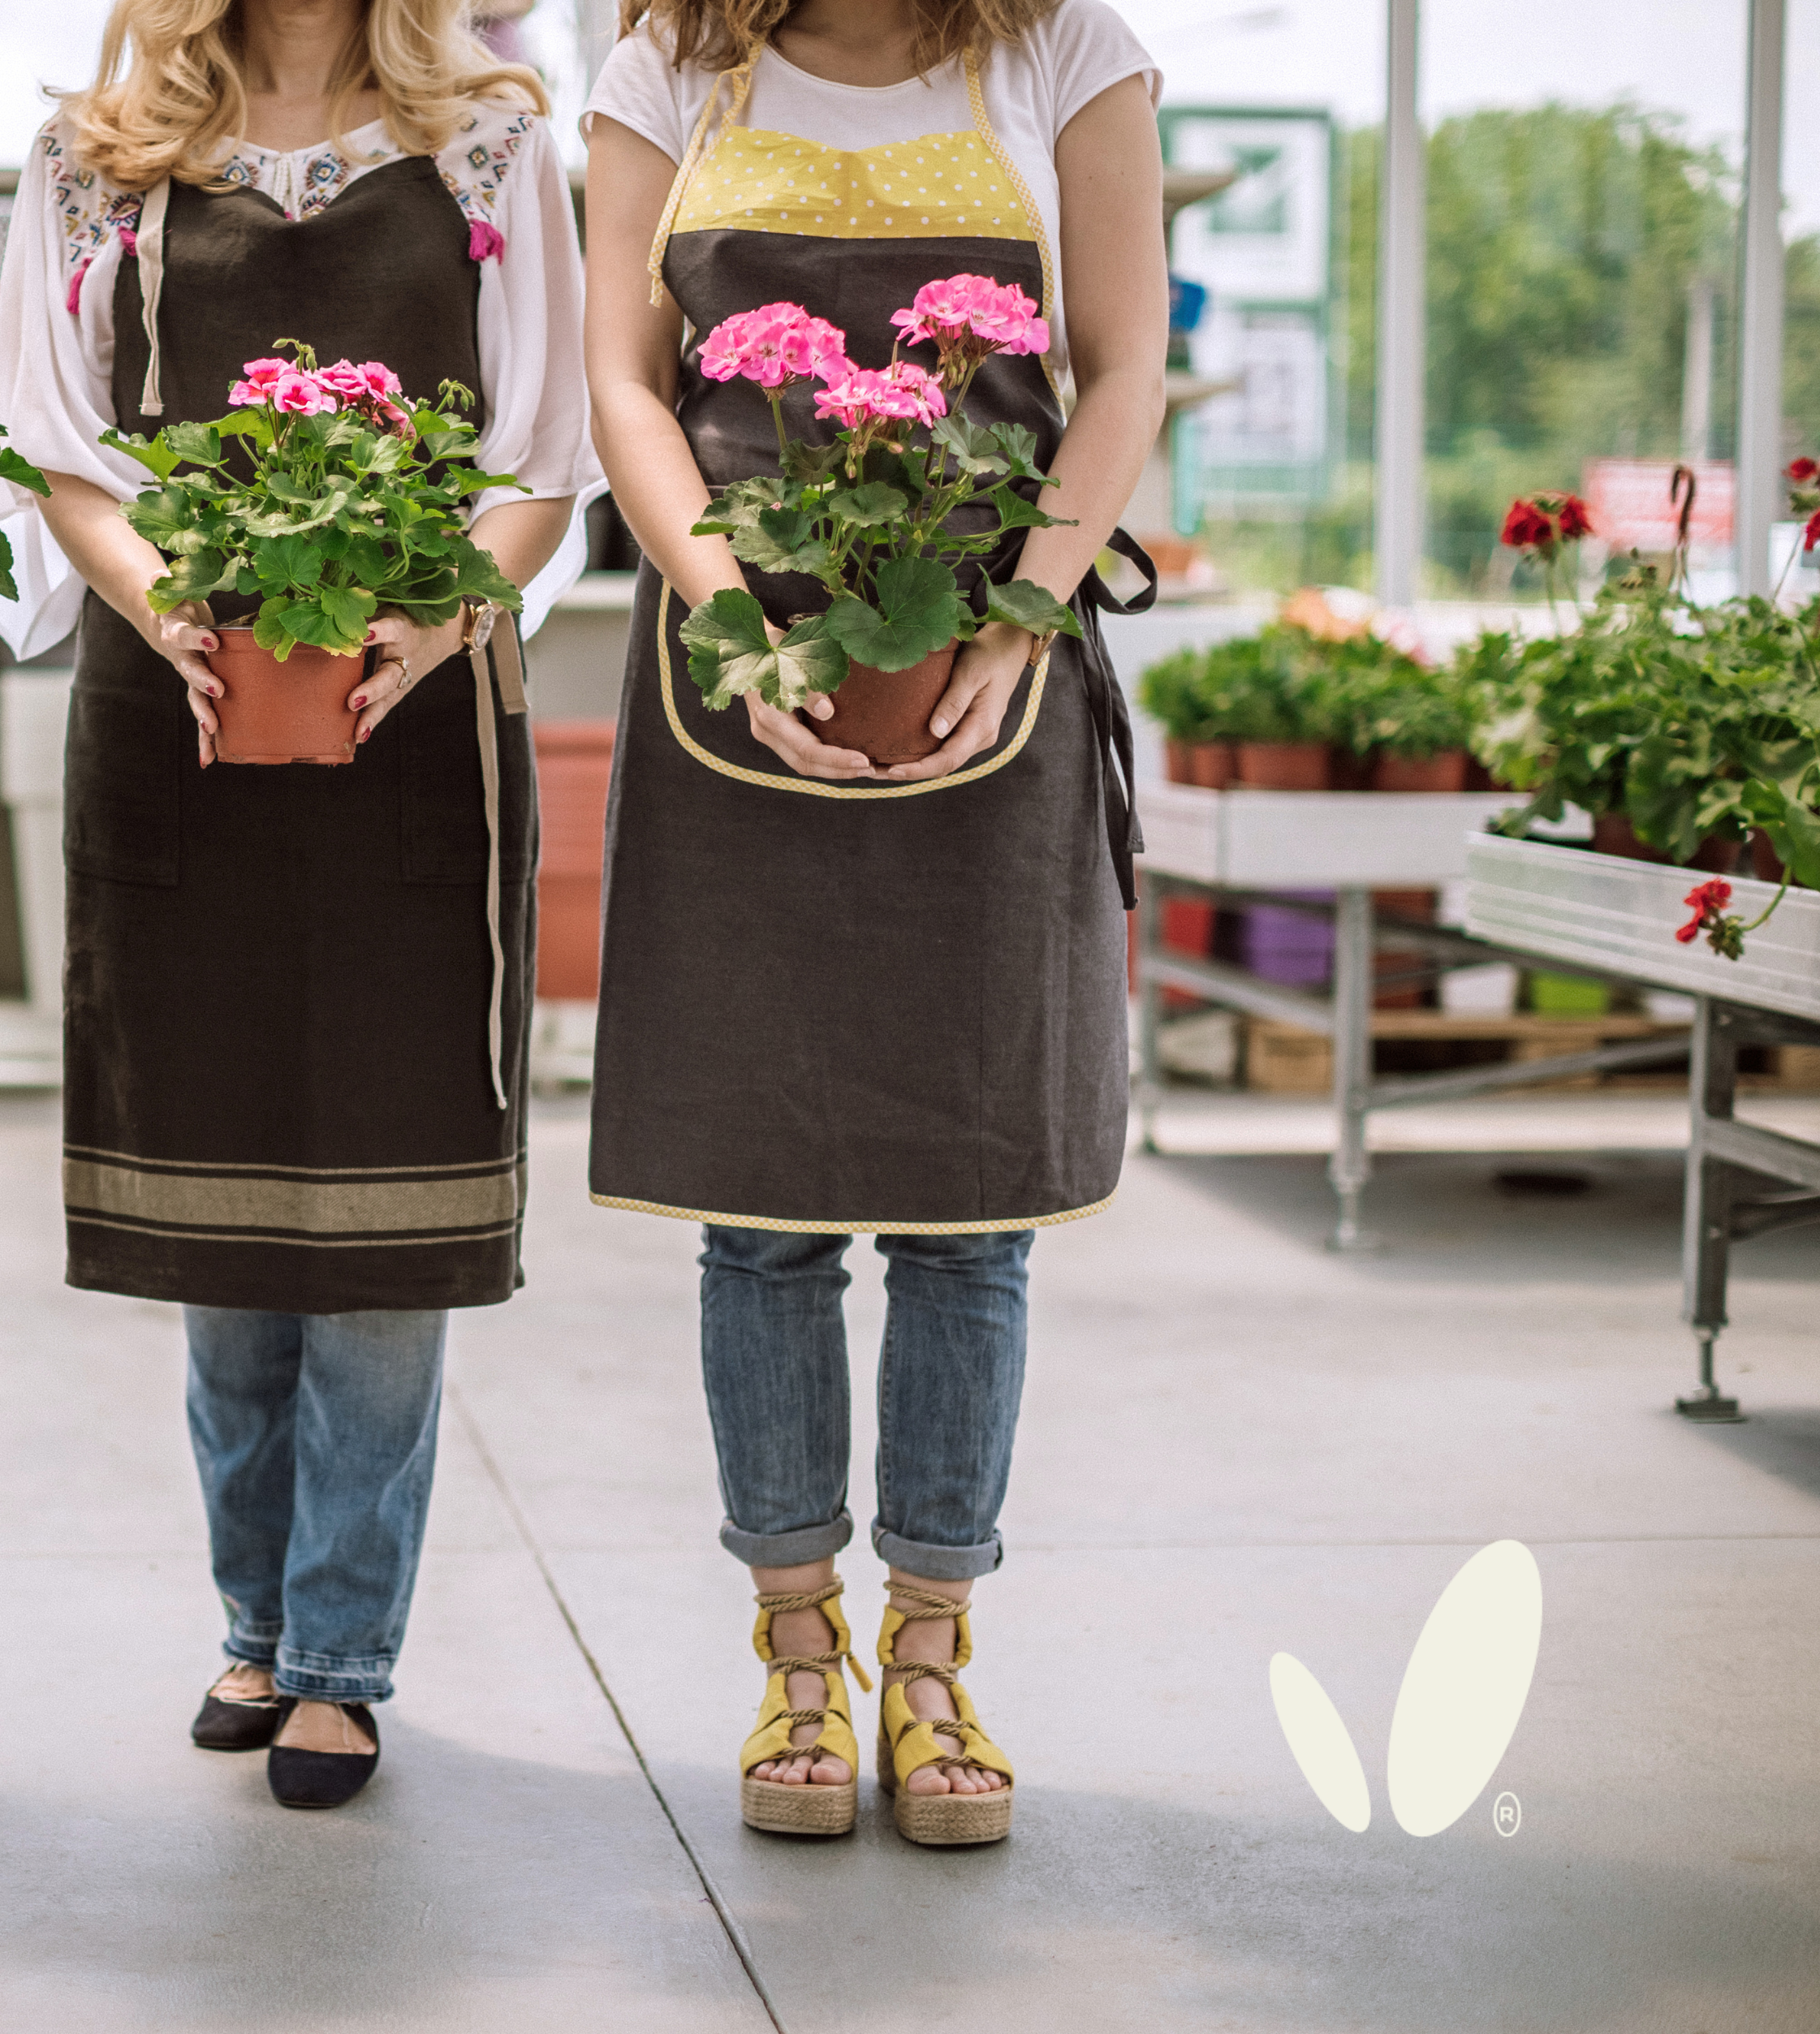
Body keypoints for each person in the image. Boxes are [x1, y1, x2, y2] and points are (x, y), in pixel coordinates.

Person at [0, 0, 599, 1808]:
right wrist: (162, 598)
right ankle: (252, 1621)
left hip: (418, 718)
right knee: (225, 1200)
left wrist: (435, 620)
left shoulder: (492, 147)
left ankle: (338, 1654)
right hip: (175, 712)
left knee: (388, 1210)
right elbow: (58, 445)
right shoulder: (91, 157)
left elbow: (544, 456)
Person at [581, 0, 1167, 1844]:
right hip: (735, 667)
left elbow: (1122, 369)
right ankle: (793, 1651)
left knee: (968, 1205)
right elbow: (623, 384)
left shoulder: (1068, 53)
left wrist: (1018, 623)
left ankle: (928, 1651)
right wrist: (728, 615)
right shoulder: (667, 65)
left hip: (990, 671)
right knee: (757, 1210)